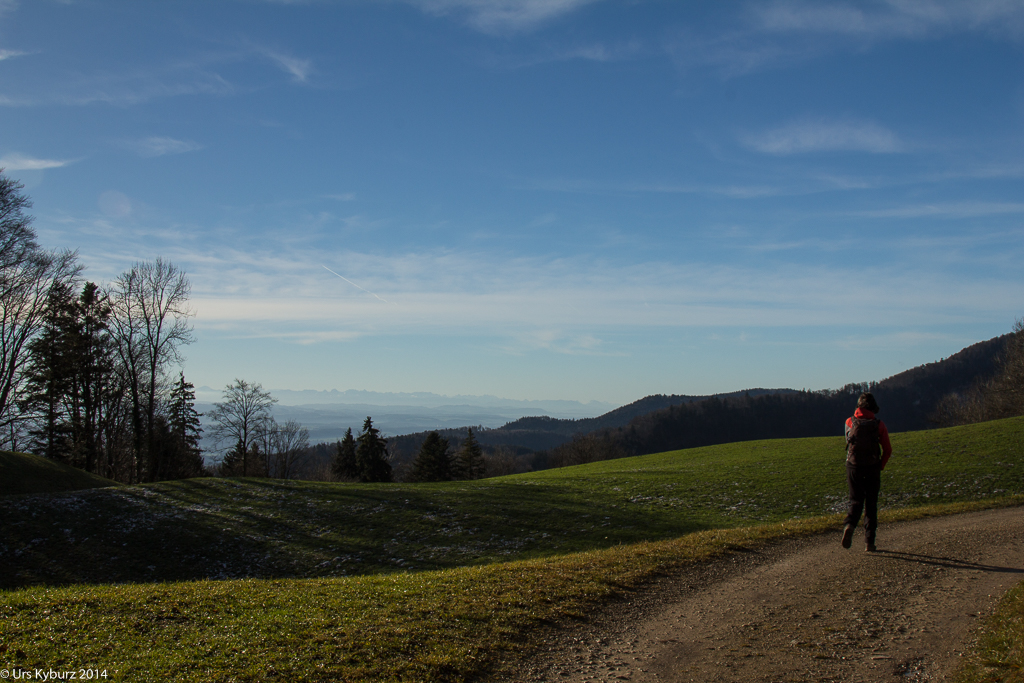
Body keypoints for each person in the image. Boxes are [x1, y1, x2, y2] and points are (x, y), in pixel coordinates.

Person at [841, 392, 892, 552]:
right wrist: (880, 465)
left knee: (855, 500)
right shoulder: (879, 424)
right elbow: (888, 449)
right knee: (871, 504)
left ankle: (849, 525)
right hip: (872, 467)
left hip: (853, 466)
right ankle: (869, 542)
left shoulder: (849, 422)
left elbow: (848, 442)